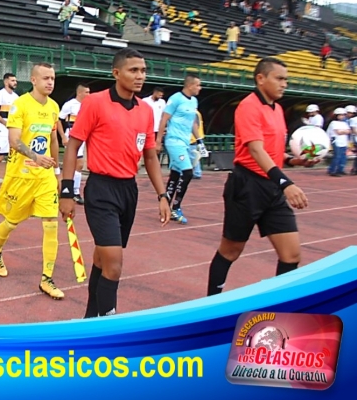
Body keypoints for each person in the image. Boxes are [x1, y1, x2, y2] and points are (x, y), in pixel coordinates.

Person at [59, 48, 171, 317]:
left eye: (143, 70)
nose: (140, 76)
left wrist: (162, 195)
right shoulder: (95, 103)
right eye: (134, 70)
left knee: (101, 258)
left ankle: (88, 322)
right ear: (116, 73)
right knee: (114, 266)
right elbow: (73, 147)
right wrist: (65, 191)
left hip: (128, 190)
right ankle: (108, 332)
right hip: (101, 189)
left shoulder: (145, 110)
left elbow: (151, 156)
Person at [207, 58, 319, 296]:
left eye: (286, 79)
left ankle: (278, 306)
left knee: (291, 255)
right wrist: (286, 182)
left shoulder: (277, 109)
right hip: (247, 186)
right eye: (279, 78)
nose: (284, 84)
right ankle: (211, 304)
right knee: (231, 251)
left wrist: (293, 160)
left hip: (272, 187)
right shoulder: (248, 106)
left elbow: (271, 151)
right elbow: (256, 150)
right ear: (260, 78)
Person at [0, 63, 64, 300]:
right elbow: (14, 141)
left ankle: (47, 278)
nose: (50, 82)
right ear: (33, 80)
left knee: (51, 222)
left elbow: (53, 139)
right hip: (21, 175)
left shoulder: (53, 106)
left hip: (44, 177)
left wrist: (56, 170)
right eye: (45, 78)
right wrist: (35, 157)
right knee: (11, 222)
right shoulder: (19, 105)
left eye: (52, 78)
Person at [155, 75, 207, 224]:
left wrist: (199, 141)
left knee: (175, 175)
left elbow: (193, 124)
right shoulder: (176, 99)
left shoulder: (194, 101)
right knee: (188, 172)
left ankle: (165, 205)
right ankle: (176, 208)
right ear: (190, 85)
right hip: (173, 141)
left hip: (185, 142)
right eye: (198, 85)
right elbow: (164, 119)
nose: (199, 88)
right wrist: (158, 140)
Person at [56, 84, 91, 204]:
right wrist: (63, 136)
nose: (88, 95)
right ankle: (71, 191)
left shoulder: (88, 105)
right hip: (72, 136)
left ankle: (71, 191)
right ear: (80, 93)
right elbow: (59, 120)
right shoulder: (70, 105)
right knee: (74, 165)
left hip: (82, 137)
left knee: (78, 165)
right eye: (86, 92)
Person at [326, 108, 350, 176]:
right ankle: (332, 170)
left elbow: (349, 131)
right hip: (336, 141)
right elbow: (338, 132)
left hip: (343, 142)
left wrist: (343, 131)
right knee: (337, 156)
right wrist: (344, 131)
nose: (342, 116)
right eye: (340, 115)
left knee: (343, 157)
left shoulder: (344, 123)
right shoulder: (333, 123)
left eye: (343, 115)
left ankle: (340, 169)